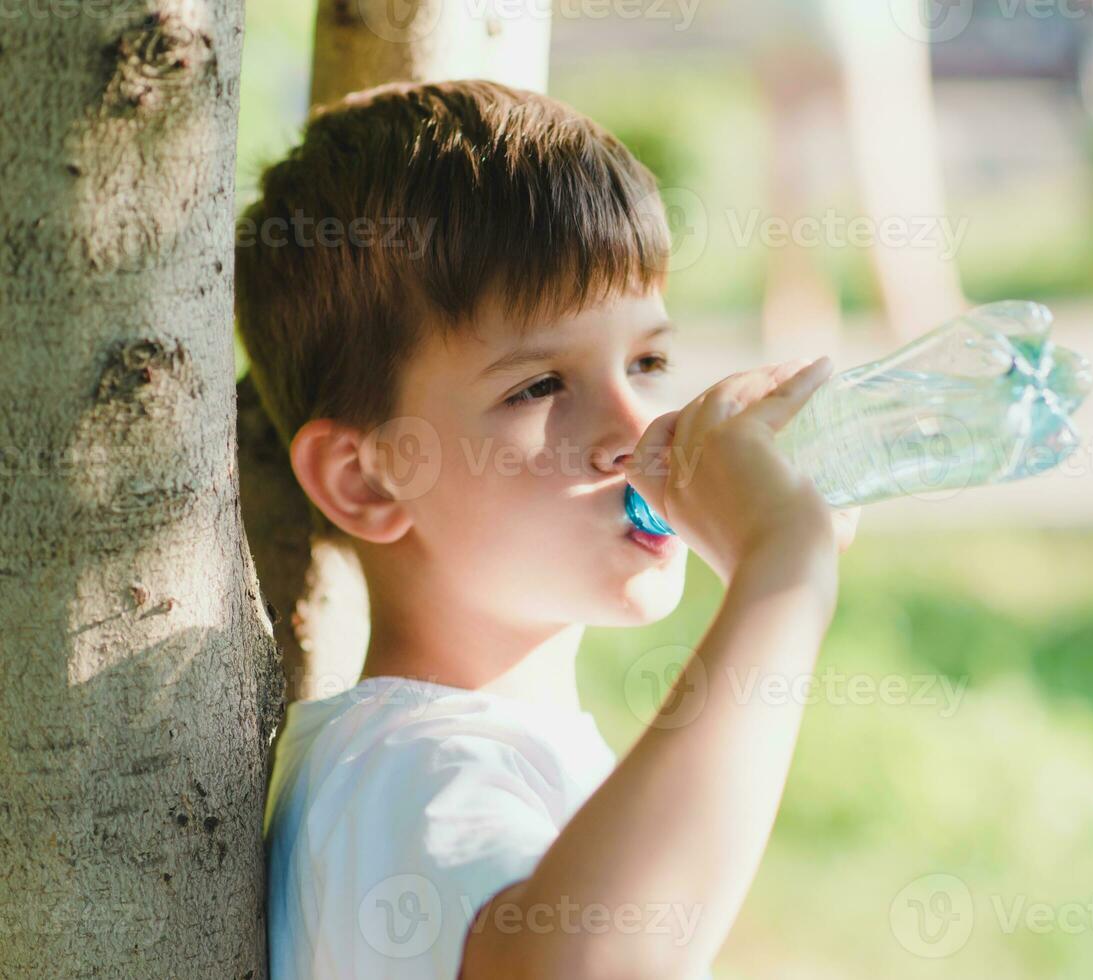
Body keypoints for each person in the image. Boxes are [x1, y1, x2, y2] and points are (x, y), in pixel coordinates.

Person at [242, 78, 859, 979]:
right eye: (537, 387)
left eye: (647, 361)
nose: (633, 432)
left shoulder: (486, 751)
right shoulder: (412, 770)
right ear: (367, 478)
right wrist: (781, 577)